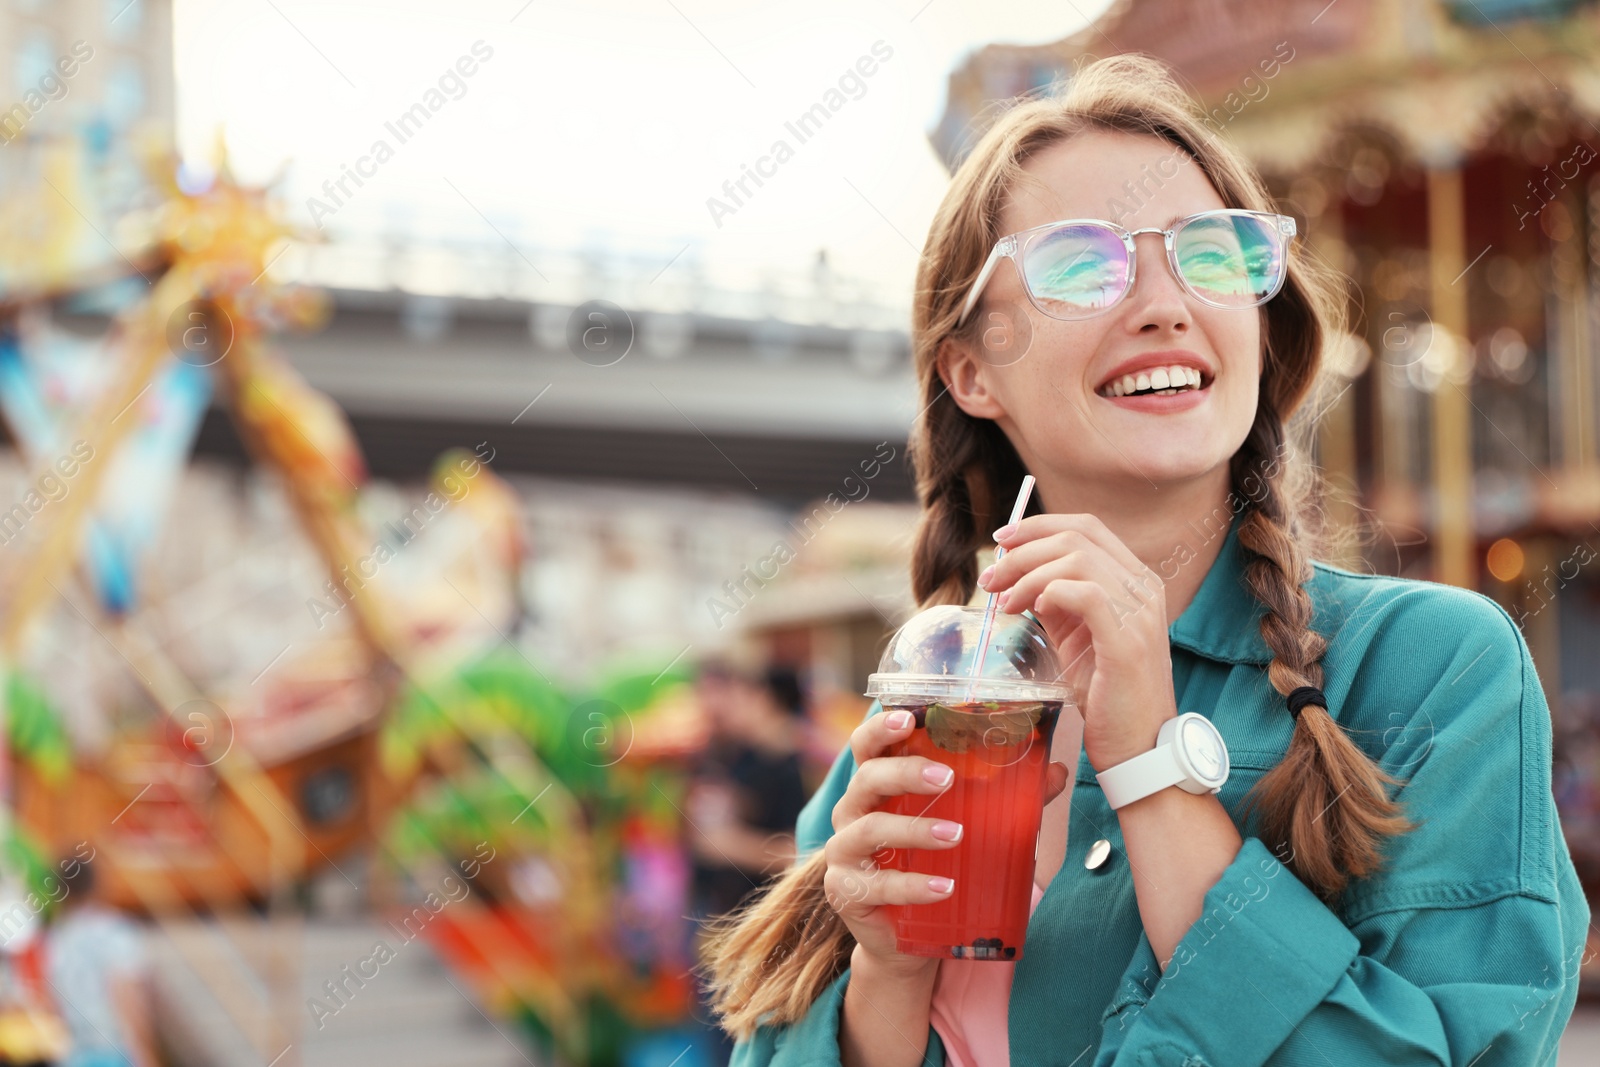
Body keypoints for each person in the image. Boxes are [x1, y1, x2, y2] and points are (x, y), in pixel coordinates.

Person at [699, 54, 1590, 1067]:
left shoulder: (1434, 668)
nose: (1165, 303)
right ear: (970, 369)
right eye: (1081, 265)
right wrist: (888, 976)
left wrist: (1151, 762)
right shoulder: (934, 710)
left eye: (1211, 256)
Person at [688, 662, 811, 1065]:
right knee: (719, 1027)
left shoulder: (796, 767)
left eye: (745, 696)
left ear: (768, 702)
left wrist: (728, 843)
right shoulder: (742, 757)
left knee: (745, 1035)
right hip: (726, 917)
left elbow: (802, 854)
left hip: (764, 925)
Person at [45, 858, 156, 1067]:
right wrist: (146, 1054)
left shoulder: (56, 938)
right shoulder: (116, 932)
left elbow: (50, 1002)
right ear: (96, 885)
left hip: (73, 1053)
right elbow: (126, 995)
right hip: (114, 1051)